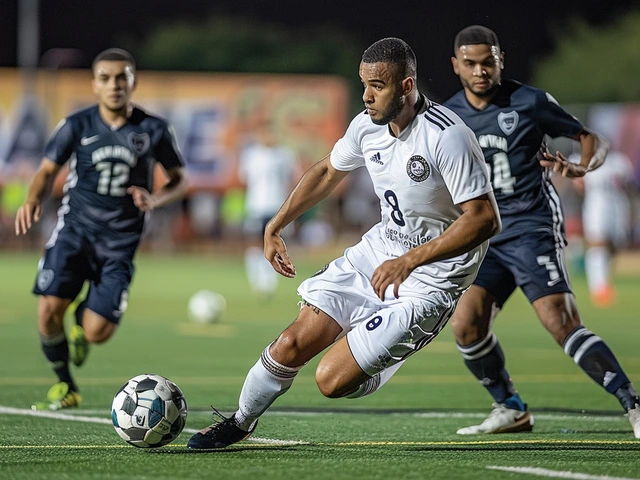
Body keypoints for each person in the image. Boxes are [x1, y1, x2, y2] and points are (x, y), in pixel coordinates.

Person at [188, 37, 501, 450]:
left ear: (407, 87)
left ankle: (388, 351)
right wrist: (276, 225)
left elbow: (484, 219)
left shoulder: (447, 137)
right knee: (290, 344)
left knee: (330, 381)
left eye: (378, 86)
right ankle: (241, 421)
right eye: (364, 85)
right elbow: (325, 173)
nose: (367, 96)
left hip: (431, 282)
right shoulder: (366, 126)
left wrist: (410, 260)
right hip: (375, 257)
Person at [442, 25, 640, 436]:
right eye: (471, 64)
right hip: (483, 235)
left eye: (488, 62)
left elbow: (590, 137)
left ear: (501, 60)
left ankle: (632, 403)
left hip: (532, 226)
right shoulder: (446, 116)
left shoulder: (529, 102)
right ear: (456, 66)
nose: (481, 71)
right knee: (466, 325)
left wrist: (584, 165)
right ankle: (511, 408)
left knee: (560, 321)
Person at [14, 48, 187, 410]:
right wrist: (32, 198)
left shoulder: (153, 129)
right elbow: (46, 171)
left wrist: (153, 200)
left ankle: (82, 322)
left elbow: (179, 180)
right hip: (75, 231)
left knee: (97, 332)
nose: (114, 85)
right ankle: (65, 385)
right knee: (47, 311)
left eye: (121, 77)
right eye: (105, 78)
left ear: (133, 82)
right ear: (94, 84)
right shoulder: (76, 124)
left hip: (121, 242)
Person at [238, 121, 299, 298]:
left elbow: (292, 180)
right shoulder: (251, 155)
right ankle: (256, 279)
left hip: (277, 207)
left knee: (276, 243)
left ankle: (269, 281)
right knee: (253, 243)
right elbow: (244, 179)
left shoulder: (285, 155)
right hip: (256, 206)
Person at [570, 149, 636, 307]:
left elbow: (629, 185)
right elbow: (577, 185)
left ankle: (604, 283)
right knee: (597, 243)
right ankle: (599, 288)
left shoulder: (619, 161)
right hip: (596, 204)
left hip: (618, 205)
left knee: (613, 246)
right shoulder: (584, 159)